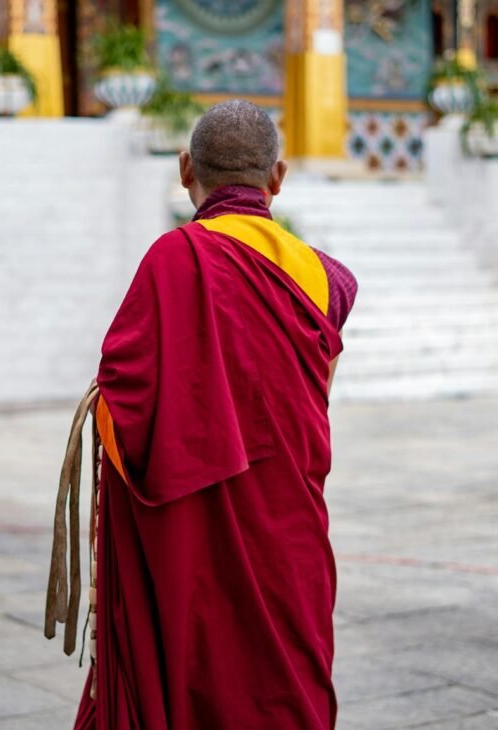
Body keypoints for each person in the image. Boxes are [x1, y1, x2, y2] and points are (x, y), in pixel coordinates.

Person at [46, 100, 357, 730]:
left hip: (189, 531)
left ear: (186, 169)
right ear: (277, 177)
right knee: (284, 681)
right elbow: (312, 401)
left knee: (190, 666)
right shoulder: (326, 280)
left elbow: (124, 394)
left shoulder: (173, 259)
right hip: (286, 525)